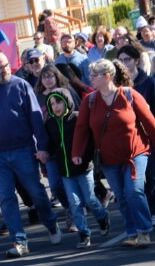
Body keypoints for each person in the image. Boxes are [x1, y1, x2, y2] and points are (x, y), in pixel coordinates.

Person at [72, 59, 155, 248]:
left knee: (134, 190)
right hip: (109, 159)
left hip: (135, 153)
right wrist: (77, 152)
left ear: (107, 76)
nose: (90, 78)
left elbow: (150, 122)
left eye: (94, 75)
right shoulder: (90, 100)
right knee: (121, 196)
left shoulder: (129, 95)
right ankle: (132, 232)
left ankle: (144, 231)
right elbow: (81, 128)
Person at [0, 53, 61, 258]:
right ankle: (19, 241)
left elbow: (35, 117)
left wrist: (42, 147)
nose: (4, 70)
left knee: (36, 192)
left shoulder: (21, 85)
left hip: (23, 150)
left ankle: (51, 224)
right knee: (6, 199)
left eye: (6, 65)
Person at [44, 91, 110, 247]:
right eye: (52, 104)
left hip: (83, 168)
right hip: (65, 171)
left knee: (90, 199)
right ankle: (84, 234)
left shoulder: (77, 118)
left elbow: (90, 141)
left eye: (58, 102)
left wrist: (84, 156)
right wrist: (45, 153)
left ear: (67, 102)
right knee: (74, 203)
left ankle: (102, 217)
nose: (55, 107)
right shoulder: (50, 123)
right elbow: (51, 146)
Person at [117, 45, 155, 225]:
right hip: (128, 141)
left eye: (128, 60)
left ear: (136, 60)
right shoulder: (117, 86)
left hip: (149, 138)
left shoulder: (149, 82)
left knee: (153, 175)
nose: (124, 64)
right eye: (121, 60)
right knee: (134, 181)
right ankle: (142, 212)